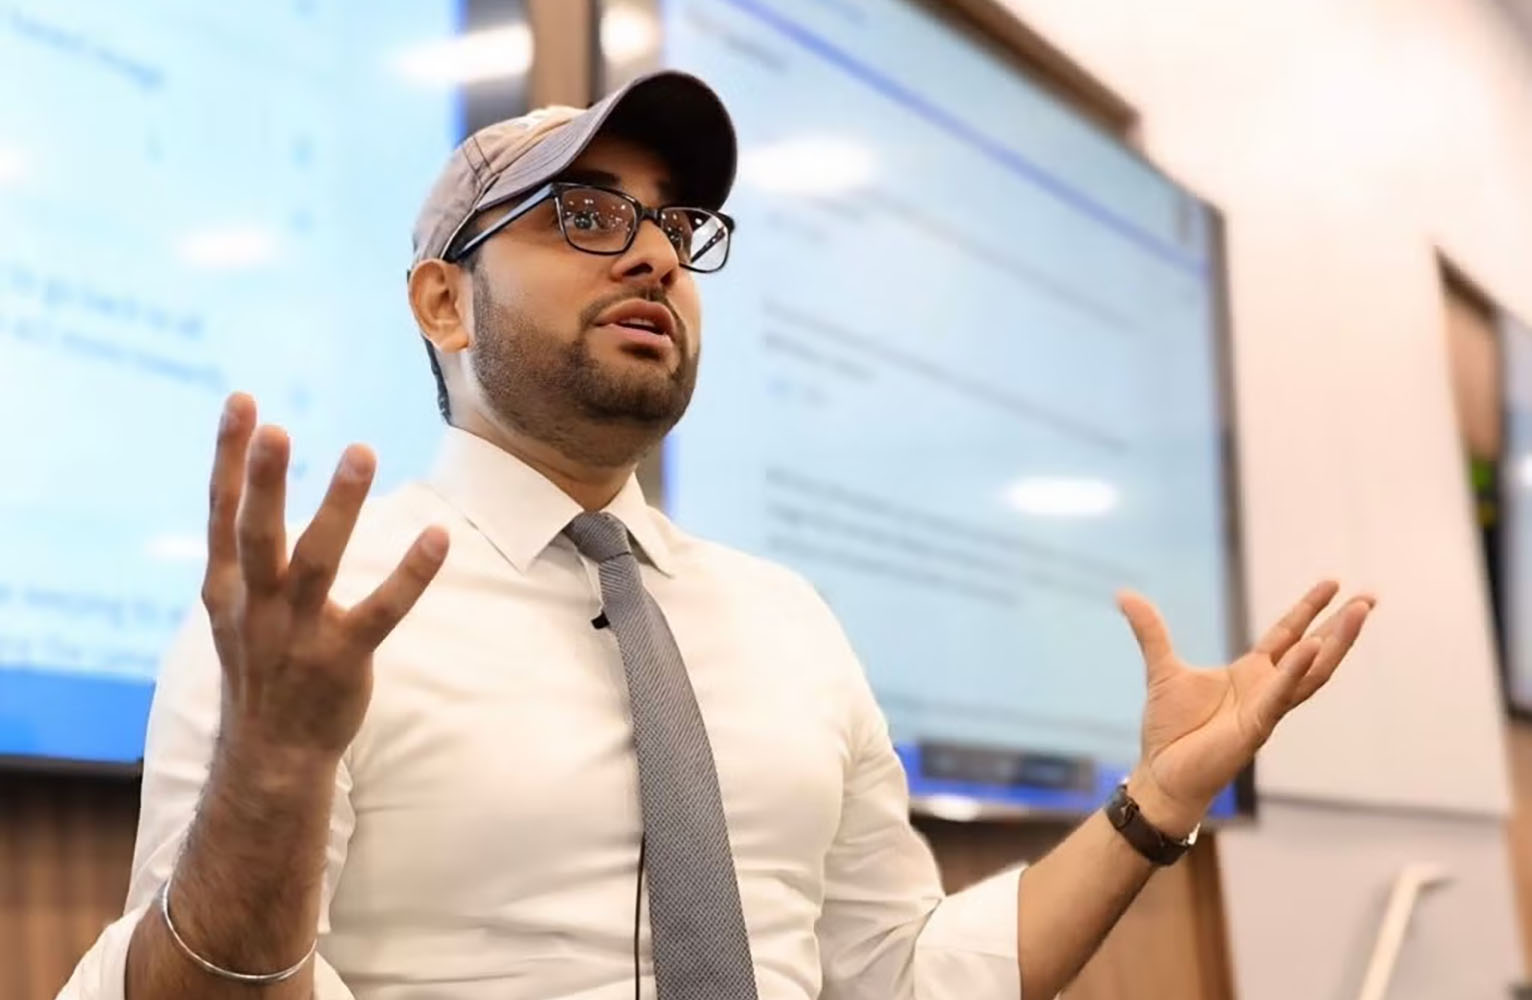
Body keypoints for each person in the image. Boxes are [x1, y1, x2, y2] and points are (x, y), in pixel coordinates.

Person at [59, 71, 1373, 1000]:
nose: (654, 259)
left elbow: (903, 979)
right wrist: (273, 776)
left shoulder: (787, 622)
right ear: (442, 301)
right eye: (587, 213)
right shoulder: (308, 628)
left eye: (676, 227)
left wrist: (1161, 803)